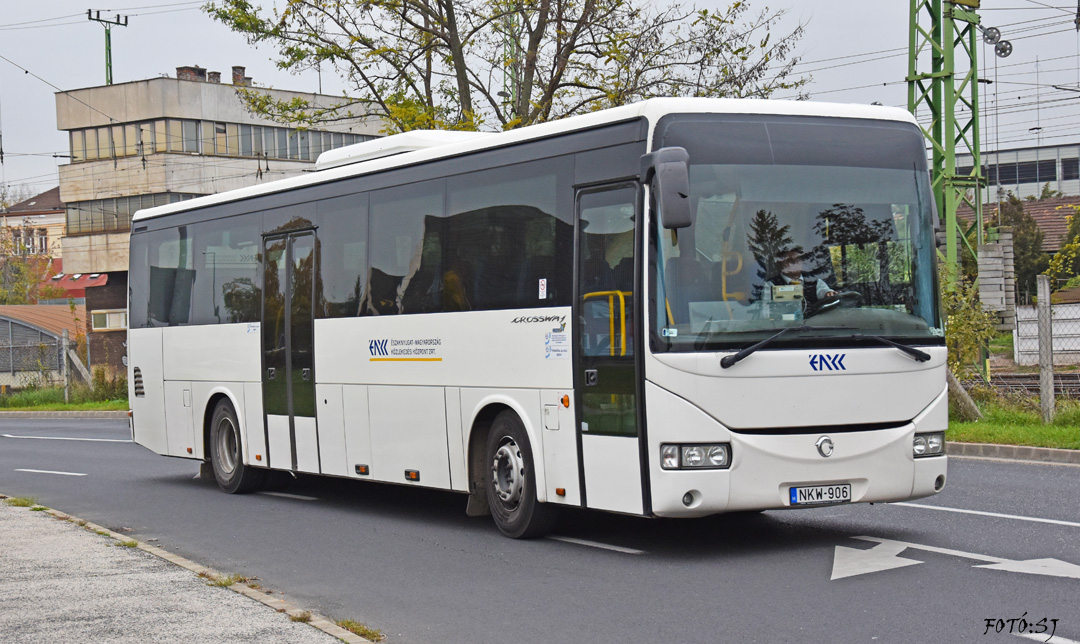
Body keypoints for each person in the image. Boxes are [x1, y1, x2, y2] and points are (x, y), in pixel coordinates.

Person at [763, 249, 838, 313]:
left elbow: (825, 292)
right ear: (780, 264)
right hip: (783, 327)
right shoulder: (771, 285)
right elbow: (766, 312)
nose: (794, 263)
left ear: (802, 262)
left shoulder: (814, 281)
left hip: (815, 327)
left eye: (797, 259)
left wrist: (828, 294)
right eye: (789, 260)